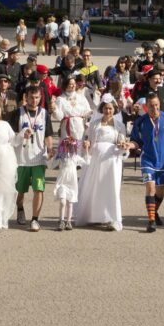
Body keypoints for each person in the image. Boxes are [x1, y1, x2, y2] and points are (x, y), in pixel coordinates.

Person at [127, 90, 164, 233]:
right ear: (146, 106)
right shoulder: (141, 122)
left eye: (157, 105)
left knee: (160, 192)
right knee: (151, 189)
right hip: (148, 160)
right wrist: (130, 145)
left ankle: (155, 211)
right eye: (151, 106)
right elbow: (136, 142)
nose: (155, 108)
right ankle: (151, 221)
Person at [76, 94, 128, 231]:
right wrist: (86, 145)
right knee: (95, 186)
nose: (108, 111)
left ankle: (112, 218)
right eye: (105, 108)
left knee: (111, 187)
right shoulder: (94, 124)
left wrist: (123, 145)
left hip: (112, 159)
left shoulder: (119, 125)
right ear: (102, 109)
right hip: (96, 158)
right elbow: (89, 139)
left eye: (110, 109)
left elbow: (122, 141)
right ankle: (93, 216)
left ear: (114, 109)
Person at [9, 85, 53, 232]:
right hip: (21, 159)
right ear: (25, 98)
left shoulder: (44, 114)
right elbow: (11, 137)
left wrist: (50, 149)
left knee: (38, 189)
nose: (34, 100)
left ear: (40, 98)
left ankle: (35, 220)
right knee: (20, 191)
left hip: (39, 158)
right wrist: (22, 134)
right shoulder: (18, 113)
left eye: (37, 97)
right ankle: (20, 208)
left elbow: (48, 135)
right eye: (31, 97)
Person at [51, 83, 92, 230]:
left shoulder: (81, 97)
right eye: (69, 85)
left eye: (74, 85)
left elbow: (87, 111)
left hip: (79, 126)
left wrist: (86, 121)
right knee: (66, 150)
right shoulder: (61, 99)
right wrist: (54, 108)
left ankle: (77, 174)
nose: (72, 87)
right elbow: (59, 115)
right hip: (67, 128)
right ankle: (63, 219)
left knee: (78, 153)